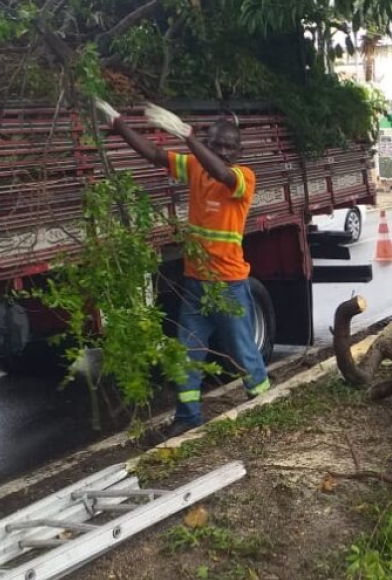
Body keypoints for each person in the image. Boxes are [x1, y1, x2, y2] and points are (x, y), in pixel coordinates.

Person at [95, 99, 271, 431]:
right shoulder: (195, 167)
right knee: (185, 356)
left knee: (243, 353)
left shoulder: (243, 177)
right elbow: (155, 155)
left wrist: (187, 136)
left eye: (228, 147)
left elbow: (221, 173)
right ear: (208, 145)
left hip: (229, 286)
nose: (222, 152)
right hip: (195, 285)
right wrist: (118, 124)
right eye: (215, 145)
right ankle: (188, 418)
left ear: (239, 152)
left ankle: (263, 406)